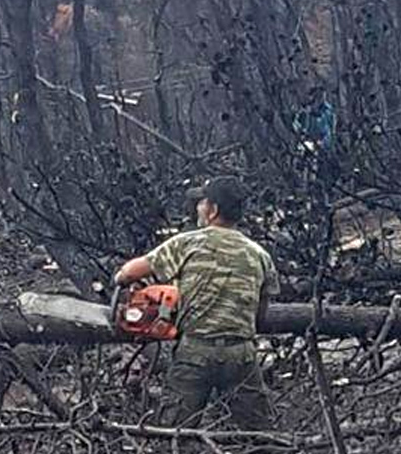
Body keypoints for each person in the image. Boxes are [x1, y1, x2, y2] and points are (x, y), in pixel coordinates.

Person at [113, 176, 280, 428]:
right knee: (261, 434)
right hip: (241, 354)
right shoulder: (260, 255)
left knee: (171, 434)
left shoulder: (187, 242)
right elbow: (260, 314)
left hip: (195, 352)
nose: (198, 207)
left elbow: (129, 272)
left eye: (202, 202)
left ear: (212, 210)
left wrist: (121, 280)